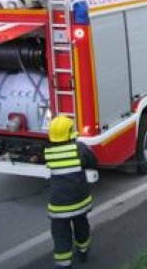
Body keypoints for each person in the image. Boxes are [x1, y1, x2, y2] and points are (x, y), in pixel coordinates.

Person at [45, 115, 98, 268]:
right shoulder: (79, 148)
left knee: (60, 234)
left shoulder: (48, 152)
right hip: (79, 202)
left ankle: (63, 263)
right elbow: (93, 162)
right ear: (70, 132)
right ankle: (83, 252)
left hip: (59, 206)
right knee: (82, 226)